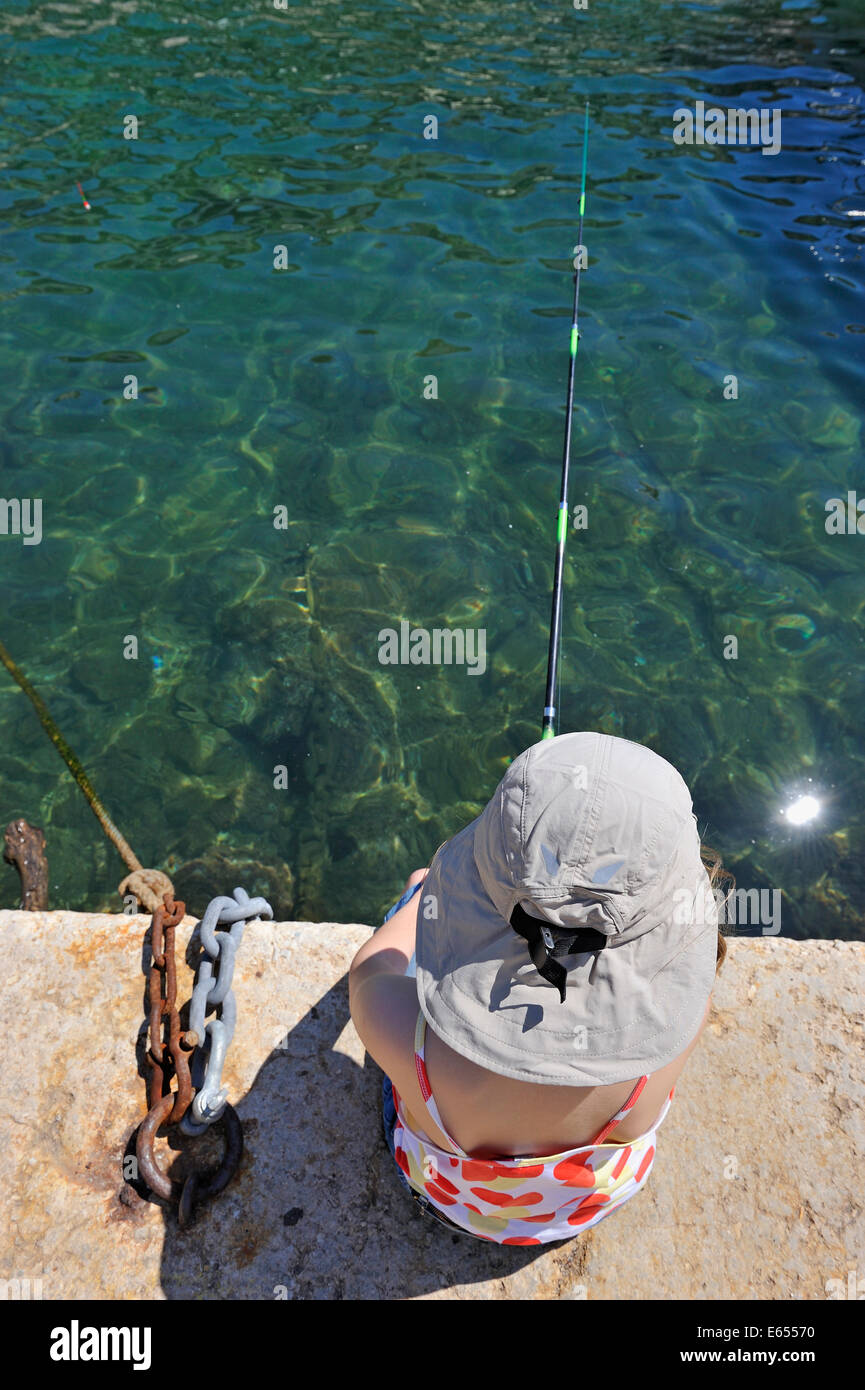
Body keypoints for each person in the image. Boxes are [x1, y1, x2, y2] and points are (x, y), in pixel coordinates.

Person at [349, 731, 730, 1245]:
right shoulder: (671, 1036)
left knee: (411, 904)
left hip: (448, 1201)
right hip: (578, 1208)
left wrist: (421, 899)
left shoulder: (418, 1052)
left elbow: (369, 973)